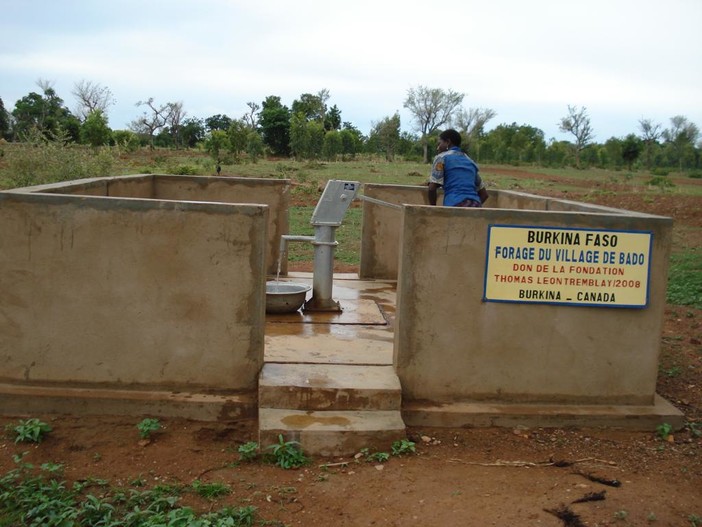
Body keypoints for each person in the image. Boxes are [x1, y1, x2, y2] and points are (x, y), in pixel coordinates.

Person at [427, 129, 488, 207]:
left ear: (448, 142)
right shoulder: (469, 161)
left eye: (439, 143)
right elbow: (484, 195)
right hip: (476, 205)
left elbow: (432, 188)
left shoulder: (441, 158)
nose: (438, 148)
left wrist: (433, 210)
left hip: (454, 203)